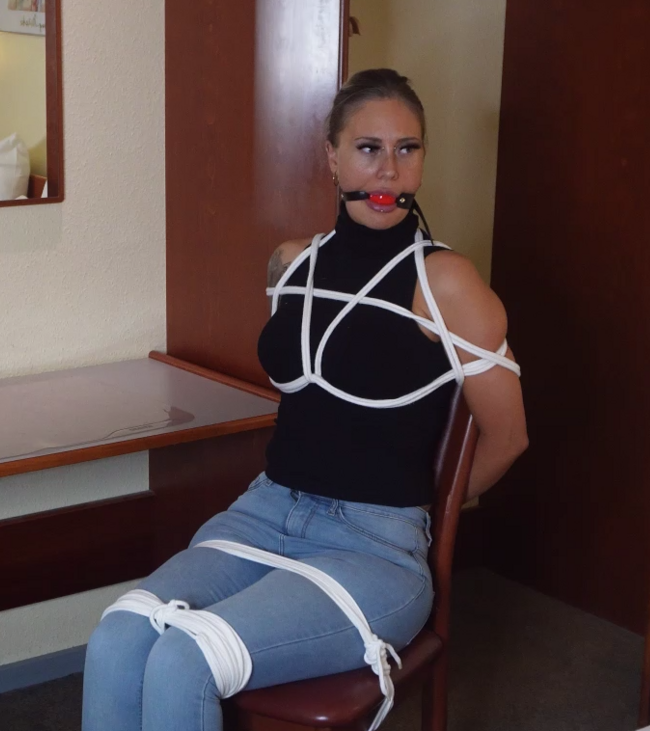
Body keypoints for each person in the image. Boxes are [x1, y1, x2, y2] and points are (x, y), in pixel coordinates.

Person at [81, 68, 528, 731]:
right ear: (332, 157)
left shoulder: (446, 282)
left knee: (184, 659)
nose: (388, 170)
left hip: (373, 545)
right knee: (116, 639)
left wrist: (422, 518)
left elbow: (508, 437)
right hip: (264, 511)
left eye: (406, 149)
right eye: (368, 148)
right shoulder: (292, 264)